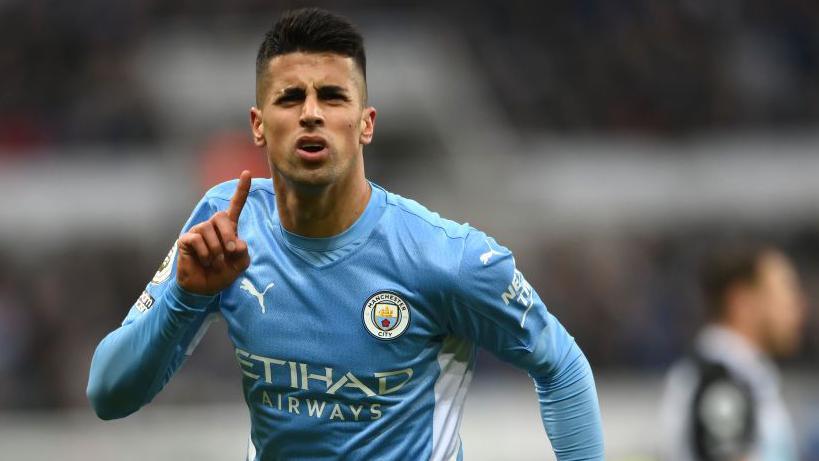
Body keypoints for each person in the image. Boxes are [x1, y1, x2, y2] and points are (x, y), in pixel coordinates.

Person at [87, 8, 604, 460]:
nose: (311, 113)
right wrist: (184, 297)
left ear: (365, 123)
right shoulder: (226, 222)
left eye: (332, 97)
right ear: (259, 124)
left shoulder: (447, 258)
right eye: (290, 98)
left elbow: (561, 367)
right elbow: (108, 394)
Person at [660, 242, 806, 461]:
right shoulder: (722, 383)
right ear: (742, 301)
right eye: (785, 291)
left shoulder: (740, 378)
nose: (798, 306)